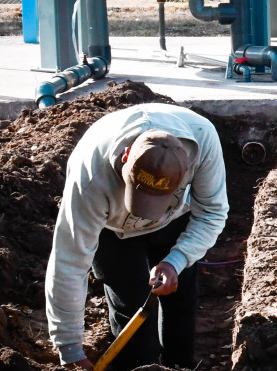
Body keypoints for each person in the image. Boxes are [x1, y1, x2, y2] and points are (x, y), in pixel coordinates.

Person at [45, 103, 229, 370]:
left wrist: (175, 261)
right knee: (130, 309)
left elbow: (212, 213)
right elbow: (70, 261)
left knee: (180, 300)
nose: (148, 217)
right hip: (114, 232)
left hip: (174, 219)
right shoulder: (90, 176)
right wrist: (70, 349)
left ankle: (178, 366)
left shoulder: (203, 140)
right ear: (125, 156)